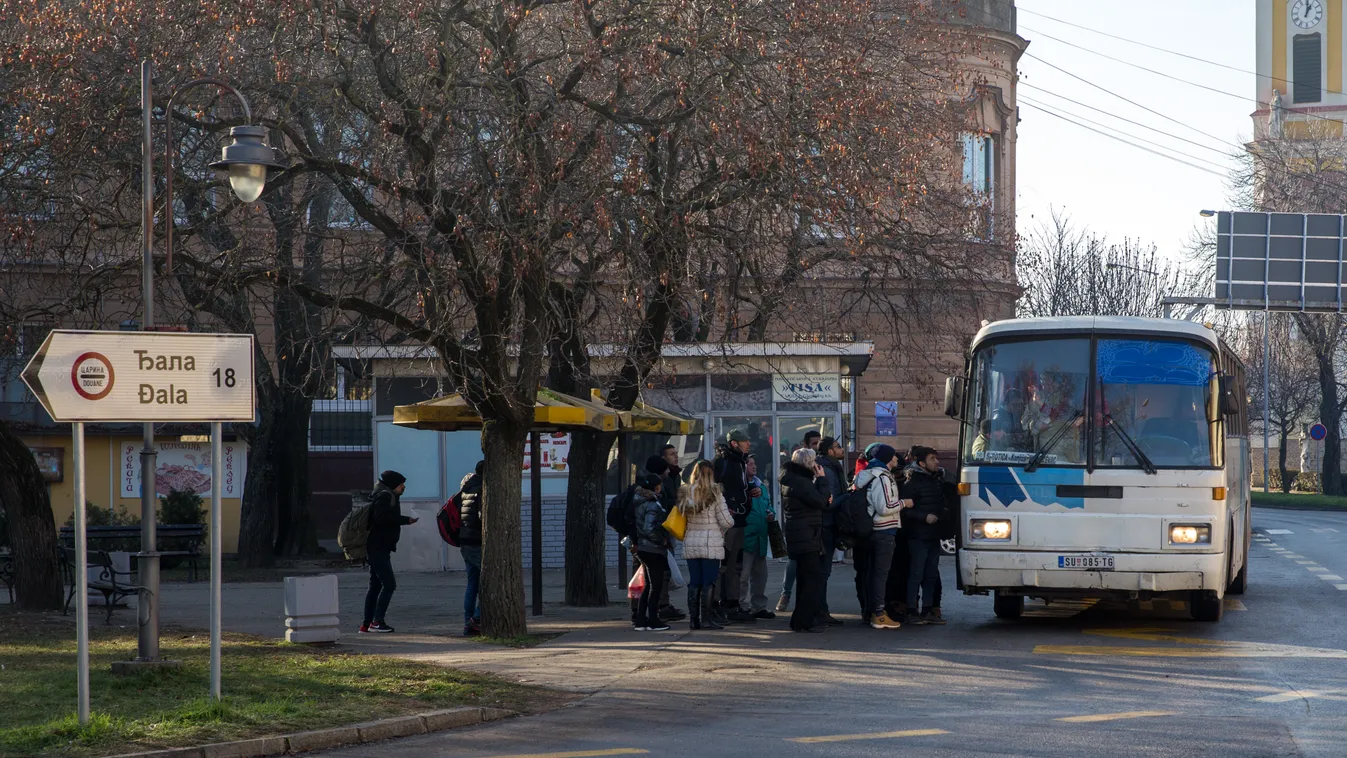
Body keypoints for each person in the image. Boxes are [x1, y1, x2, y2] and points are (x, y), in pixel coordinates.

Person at [853, 445, 909, 630]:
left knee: (871, 574)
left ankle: (871, 611)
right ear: (886, 458)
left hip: (870, 531)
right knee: (880, 575)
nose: (896, 460)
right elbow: (884, 507)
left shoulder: (865, 474)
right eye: (893, 457)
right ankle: (879, 614)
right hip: (883, 531)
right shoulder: (883, 477)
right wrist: (904, 503)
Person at [779, 447, 830, 633]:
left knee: (804, 578)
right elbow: (820, 502)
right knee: (812, 580)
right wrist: (823, 480)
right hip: (807, 535)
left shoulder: (791, 479)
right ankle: (805, 620)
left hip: (800, 534)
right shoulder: (802, 482)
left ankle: (800, 620)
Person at [360, 470, 418, 634]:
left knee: (376, 586)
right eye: (401, 484)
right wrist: (405, 520)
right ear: (394, 484)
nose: (403, 487)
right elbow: (381, 518)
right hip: (378, 547)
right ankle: (377, 622)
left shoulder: (385, 495)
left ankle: (366, 624)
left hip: (378, 547)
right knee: (389, 584)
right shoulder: (385, 496)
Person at [680, 459, 735, 630]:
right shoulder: (716, 493)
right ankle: (706, 618)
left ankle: (693, 620)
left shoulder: (686, 493)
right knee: (708, 582)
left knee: (694, 581)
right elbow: (727, 521)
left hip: (691, 542)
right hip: (711, 543)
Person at [714, 428, 757, 623]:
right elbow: (717, 489)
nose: (748, 443)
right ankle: (719, 605)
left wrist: (749, 492)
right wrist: (729, 506)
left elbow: (739, 488)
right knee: (725, 565)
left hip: (739, 519)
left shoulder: (739, 462)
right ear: (734, 443)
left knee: (735, 565)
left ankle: (732, 603)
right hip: (727, 521)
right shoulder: (724, 462)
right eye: (744, 441)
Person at [902, 446, 949, 625]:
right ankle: (911, 611)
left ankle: (928, 610)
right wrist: (924, 517)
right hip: (918, 535)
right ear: (921, 463)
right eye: (932, 459)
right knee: (916, 573)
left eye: (936, 458)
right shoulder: (911, 482)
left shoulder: (936, 479)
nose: (936, 462)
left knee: (930, 574)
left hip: (933, 535)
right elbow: (905, 510)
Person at [644, 451, 686, 622]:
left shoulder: (671, 477)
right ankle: (659, 608)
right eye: (671, 454)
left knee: (657, 574)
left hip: (656, 535)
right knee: (659, 573)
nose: (675, 457)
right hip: (658, 536)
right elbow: (661, 510)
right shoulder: (656, 488)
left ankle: (652, 608)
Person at [814, 436, 848, 626]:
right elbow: (830, 502)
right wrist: (848, 495)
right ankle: (820, 611)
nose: (842, 449)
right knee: (822, 571)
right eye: (837, 447)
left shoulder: (828, 467)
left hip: (825, 525)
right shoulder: (829, 469)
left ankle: (820, 609)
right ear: (829, 451)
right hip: (825, 525)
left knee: (821, 571)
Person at [631, 474, 672, 632]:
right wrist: (662, 540)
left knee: (648, 585)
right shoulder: (653, 504)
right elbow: (649, 528)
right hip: (652, 548)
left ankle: (641, 620)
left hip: (642, 547)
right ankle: (653, 620)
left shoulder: (638, 501)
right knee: (656, 586)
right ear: (656, 487)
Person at [740, 455, 776, 619]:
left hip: (761, 536)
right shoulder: (741, 487)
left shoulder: (762, 486)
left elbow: (768, 506)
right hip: (746, 536)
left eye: (755, 463)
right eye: (750, 464)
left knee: (761, 575)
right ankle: (741, 606)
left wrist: (771, 513)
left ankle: (759, 606)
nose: (754, 467)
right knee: (743, 575)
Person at [456, 462, 484, 637]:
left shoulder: (466, 488)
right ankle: (477, 618)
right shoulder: (482, 489)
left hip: (465, 539)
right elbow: (482, 515)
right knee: (491, 580)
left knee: (472, 583)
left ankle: (468, 622)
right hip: (477, 540)